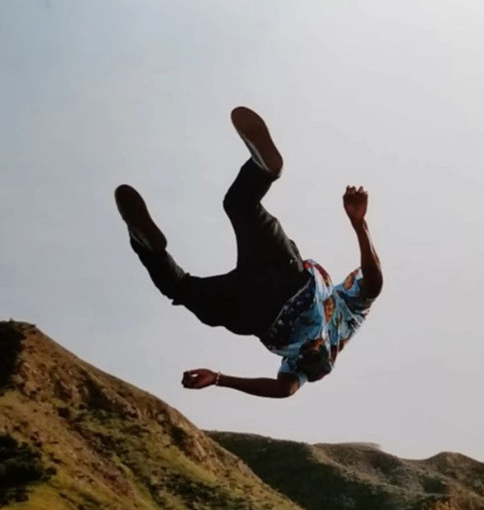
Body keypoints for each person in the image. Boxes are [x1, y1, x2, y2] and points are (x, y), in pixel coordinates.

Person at [114, 107, 383, 399]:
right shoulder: (344, 319)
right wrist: (360, 224)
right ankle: (148, 247)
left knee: (239, 208)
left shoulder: (320, 343)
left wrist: (219, 379)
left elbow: (283, 389)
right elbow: (374, 283)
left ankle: (262, 171)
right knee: (181, 286)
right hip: (268, 299)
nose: (311, 347)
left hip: (273, 287)